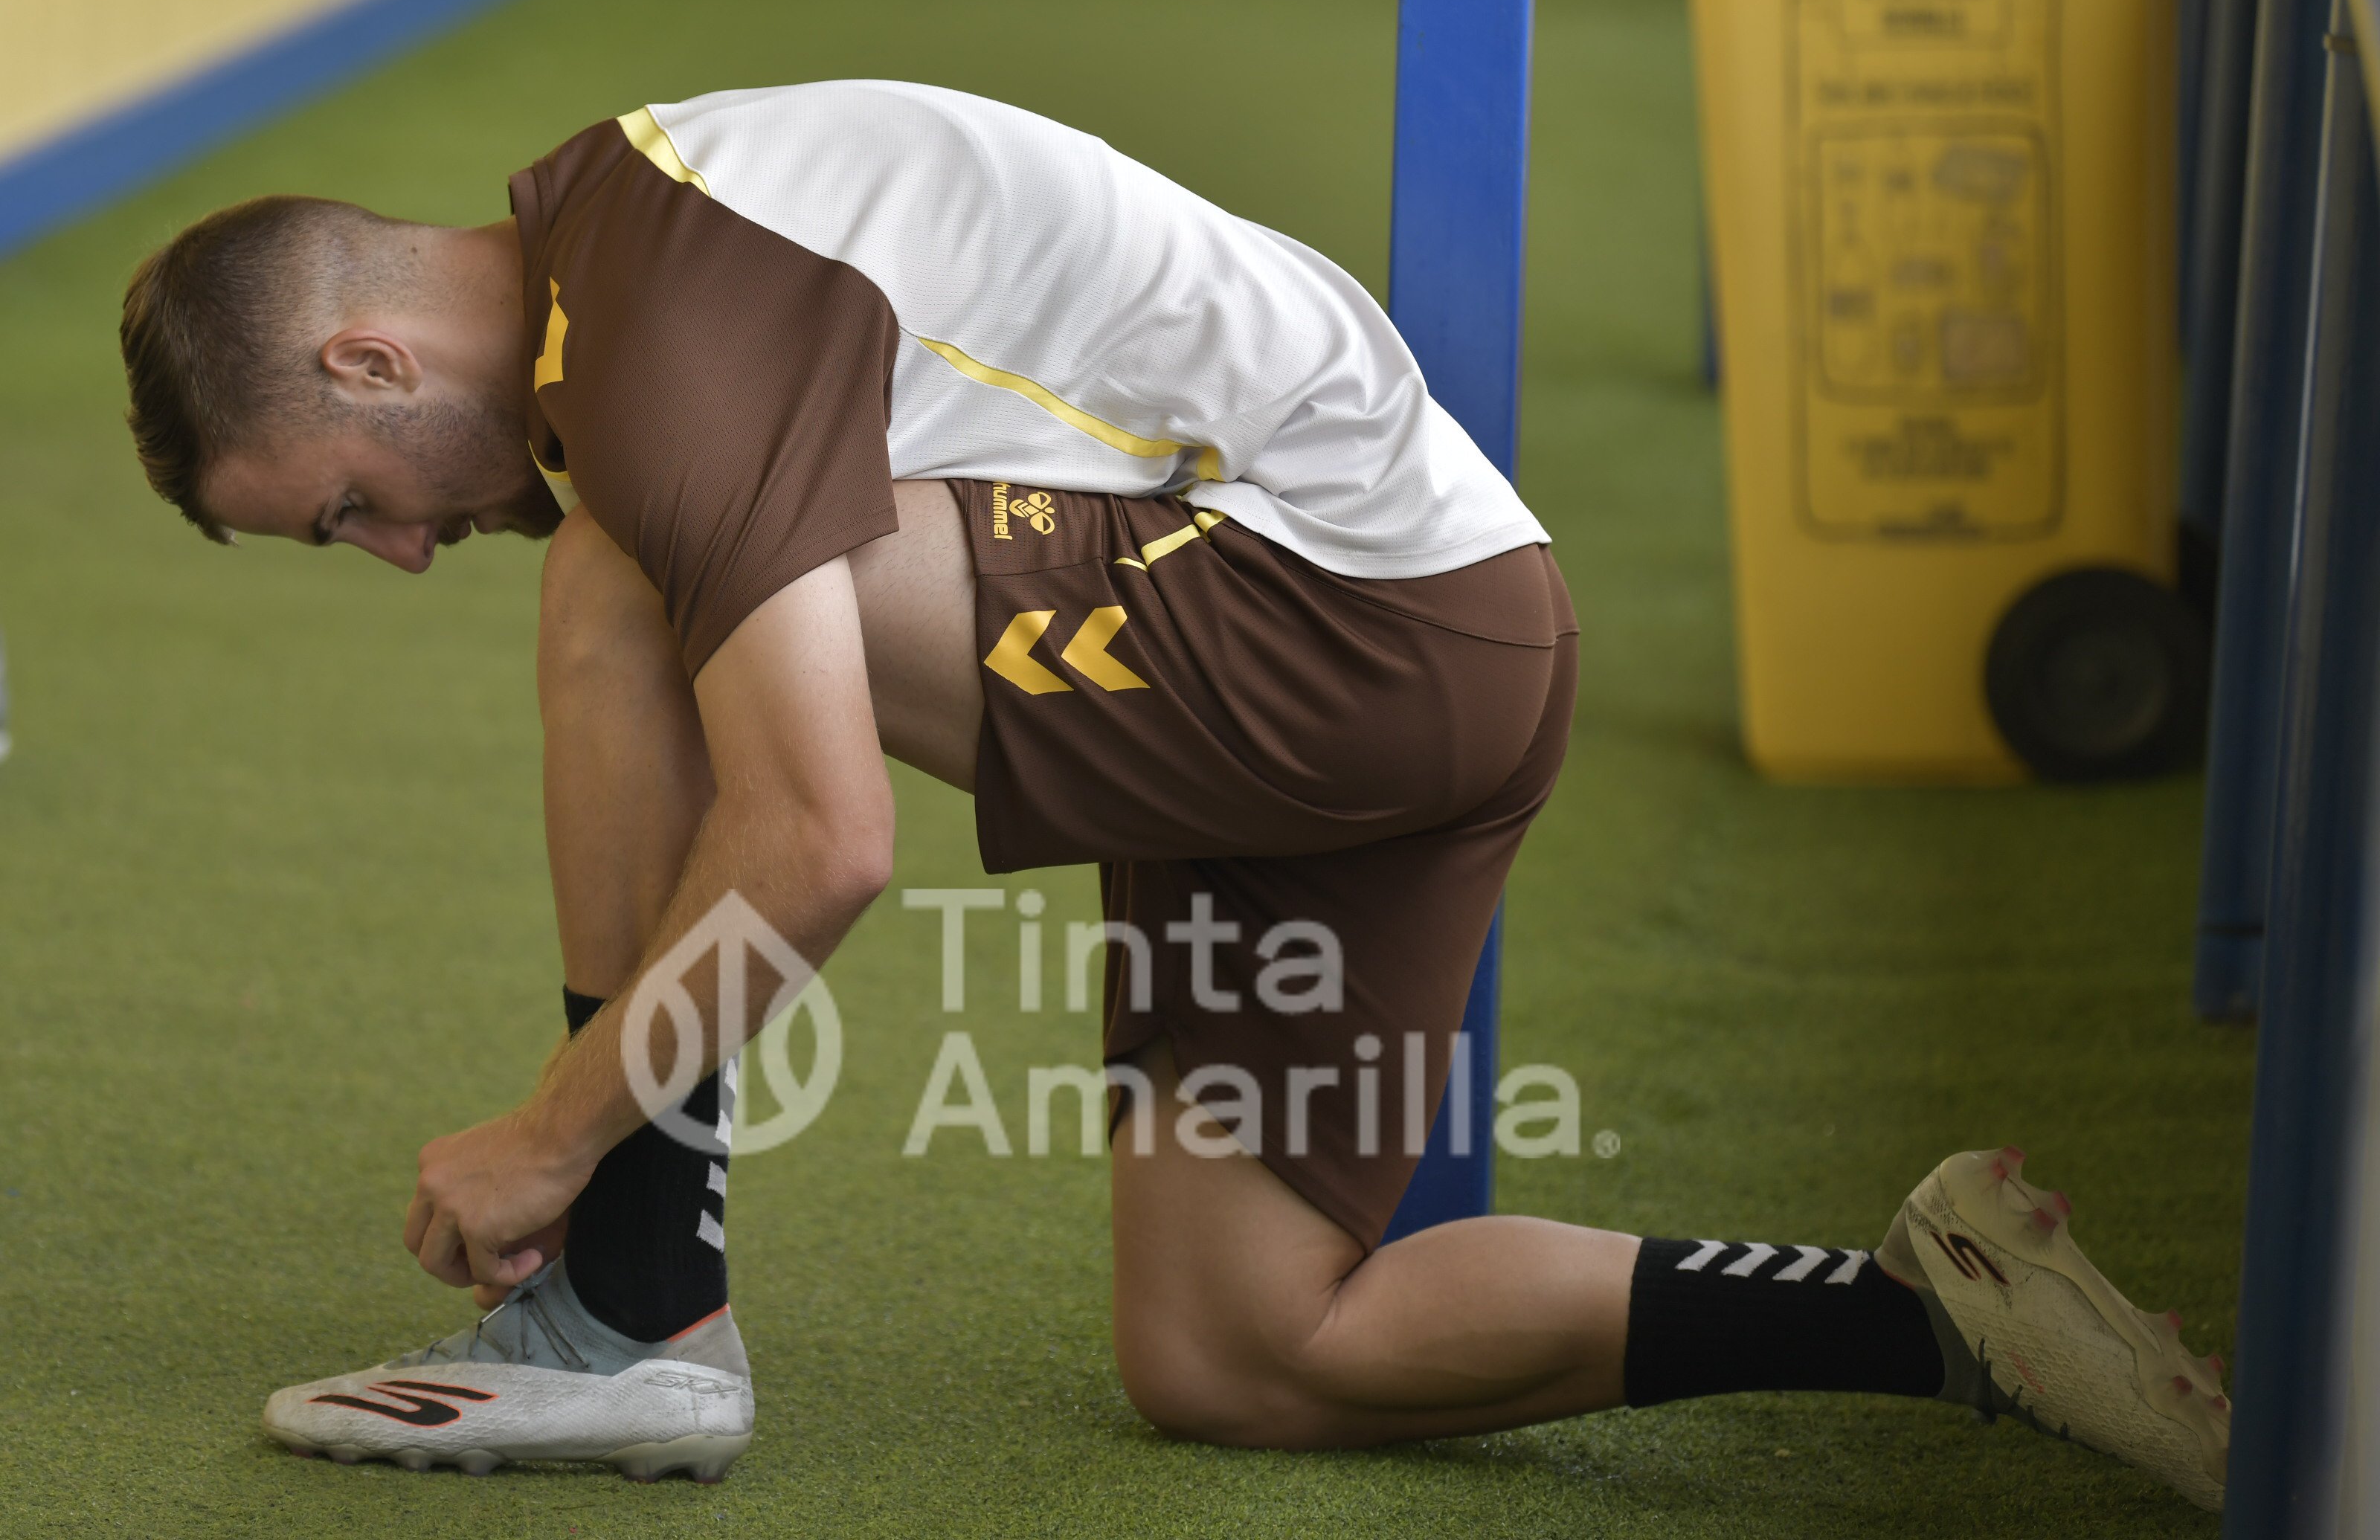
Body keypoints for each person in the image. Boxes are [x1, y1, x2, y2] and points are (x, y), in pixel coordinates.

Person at [117, 82, 2229, 1510]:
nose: (396, 556)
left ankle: (634, 1293)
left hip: (1351, 635)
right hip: (1349, 664)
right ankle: (1931, 1309)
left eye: (344, 518)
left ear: (373, 364)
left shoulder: (648, 334)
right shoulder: (631, 232)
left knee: (614, 573)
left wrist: (552, 1137)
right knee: (1241, 1351)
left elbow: (823, 841)